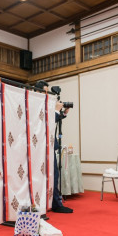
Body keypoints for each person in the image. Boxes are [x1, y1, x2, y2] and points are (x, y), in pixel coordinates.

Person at [35, 80, 73, 213]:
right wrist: (56, 111)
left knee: (54, 175)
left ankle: (56, 203)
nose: (48, 94)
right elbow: (45, 122)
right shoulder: (35, 103)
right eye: (46, 91)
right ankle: (41, 202)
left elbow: (52, 121)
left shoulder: (45, 103)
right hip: (38, 146)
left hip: (49, 145)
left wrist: (63, 113)